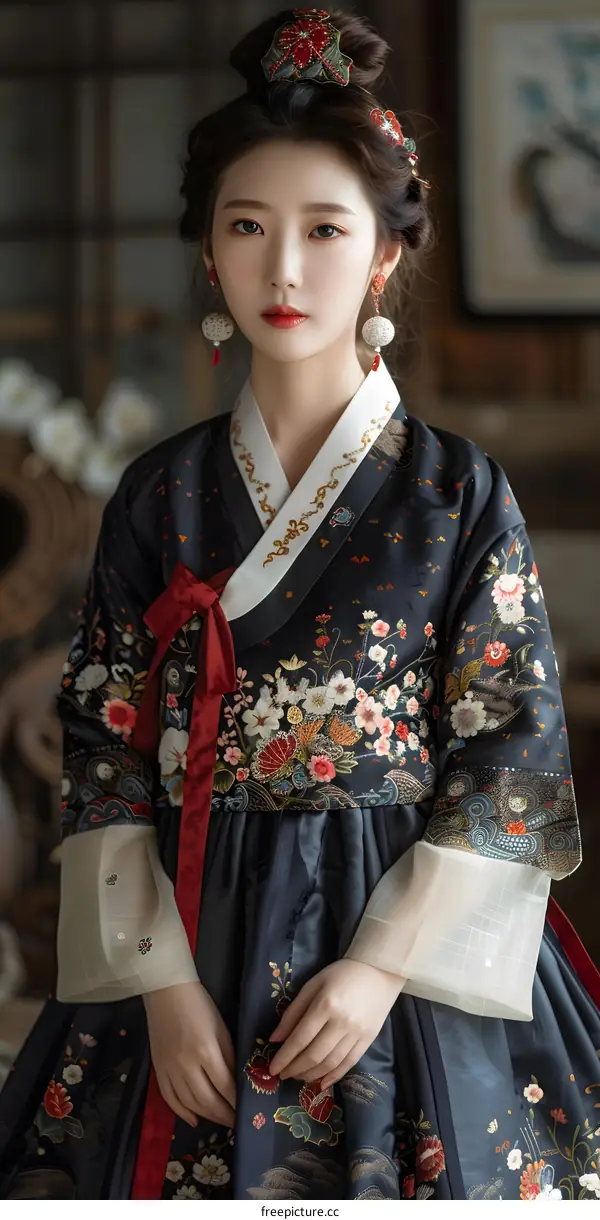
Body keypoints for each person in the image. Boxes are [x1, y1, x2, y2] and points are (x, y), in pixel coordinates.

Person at [0, 8, 599, 1203]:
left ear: (382, 254)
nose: (284, 268)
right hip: (183, 924)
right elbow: (104, 753)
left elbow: (509, 754)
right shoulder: (158, 493)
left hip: (396, 937)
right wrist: (160, 987)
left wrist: (381, 969)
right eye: (247, 227)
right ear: (209, 254)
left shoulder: (455, 490)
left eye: (325, 230)